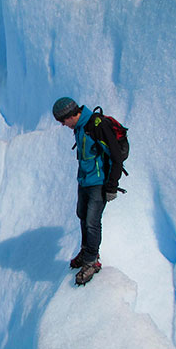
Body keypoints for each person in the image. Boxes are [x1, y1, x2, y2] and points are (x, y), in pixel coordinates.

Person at [53, 97, 124, 285]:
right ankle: (86, 251)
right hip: (84, 180)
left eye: (62, 121)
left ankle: (92, 261)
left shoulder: (96, 125)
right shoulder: (79, 126)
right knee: (82, 215)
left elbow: (116, 156)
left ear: (70, 115)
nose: (62, 124)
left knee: (92, 222)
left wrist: (111, 186)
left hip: (99, 183)